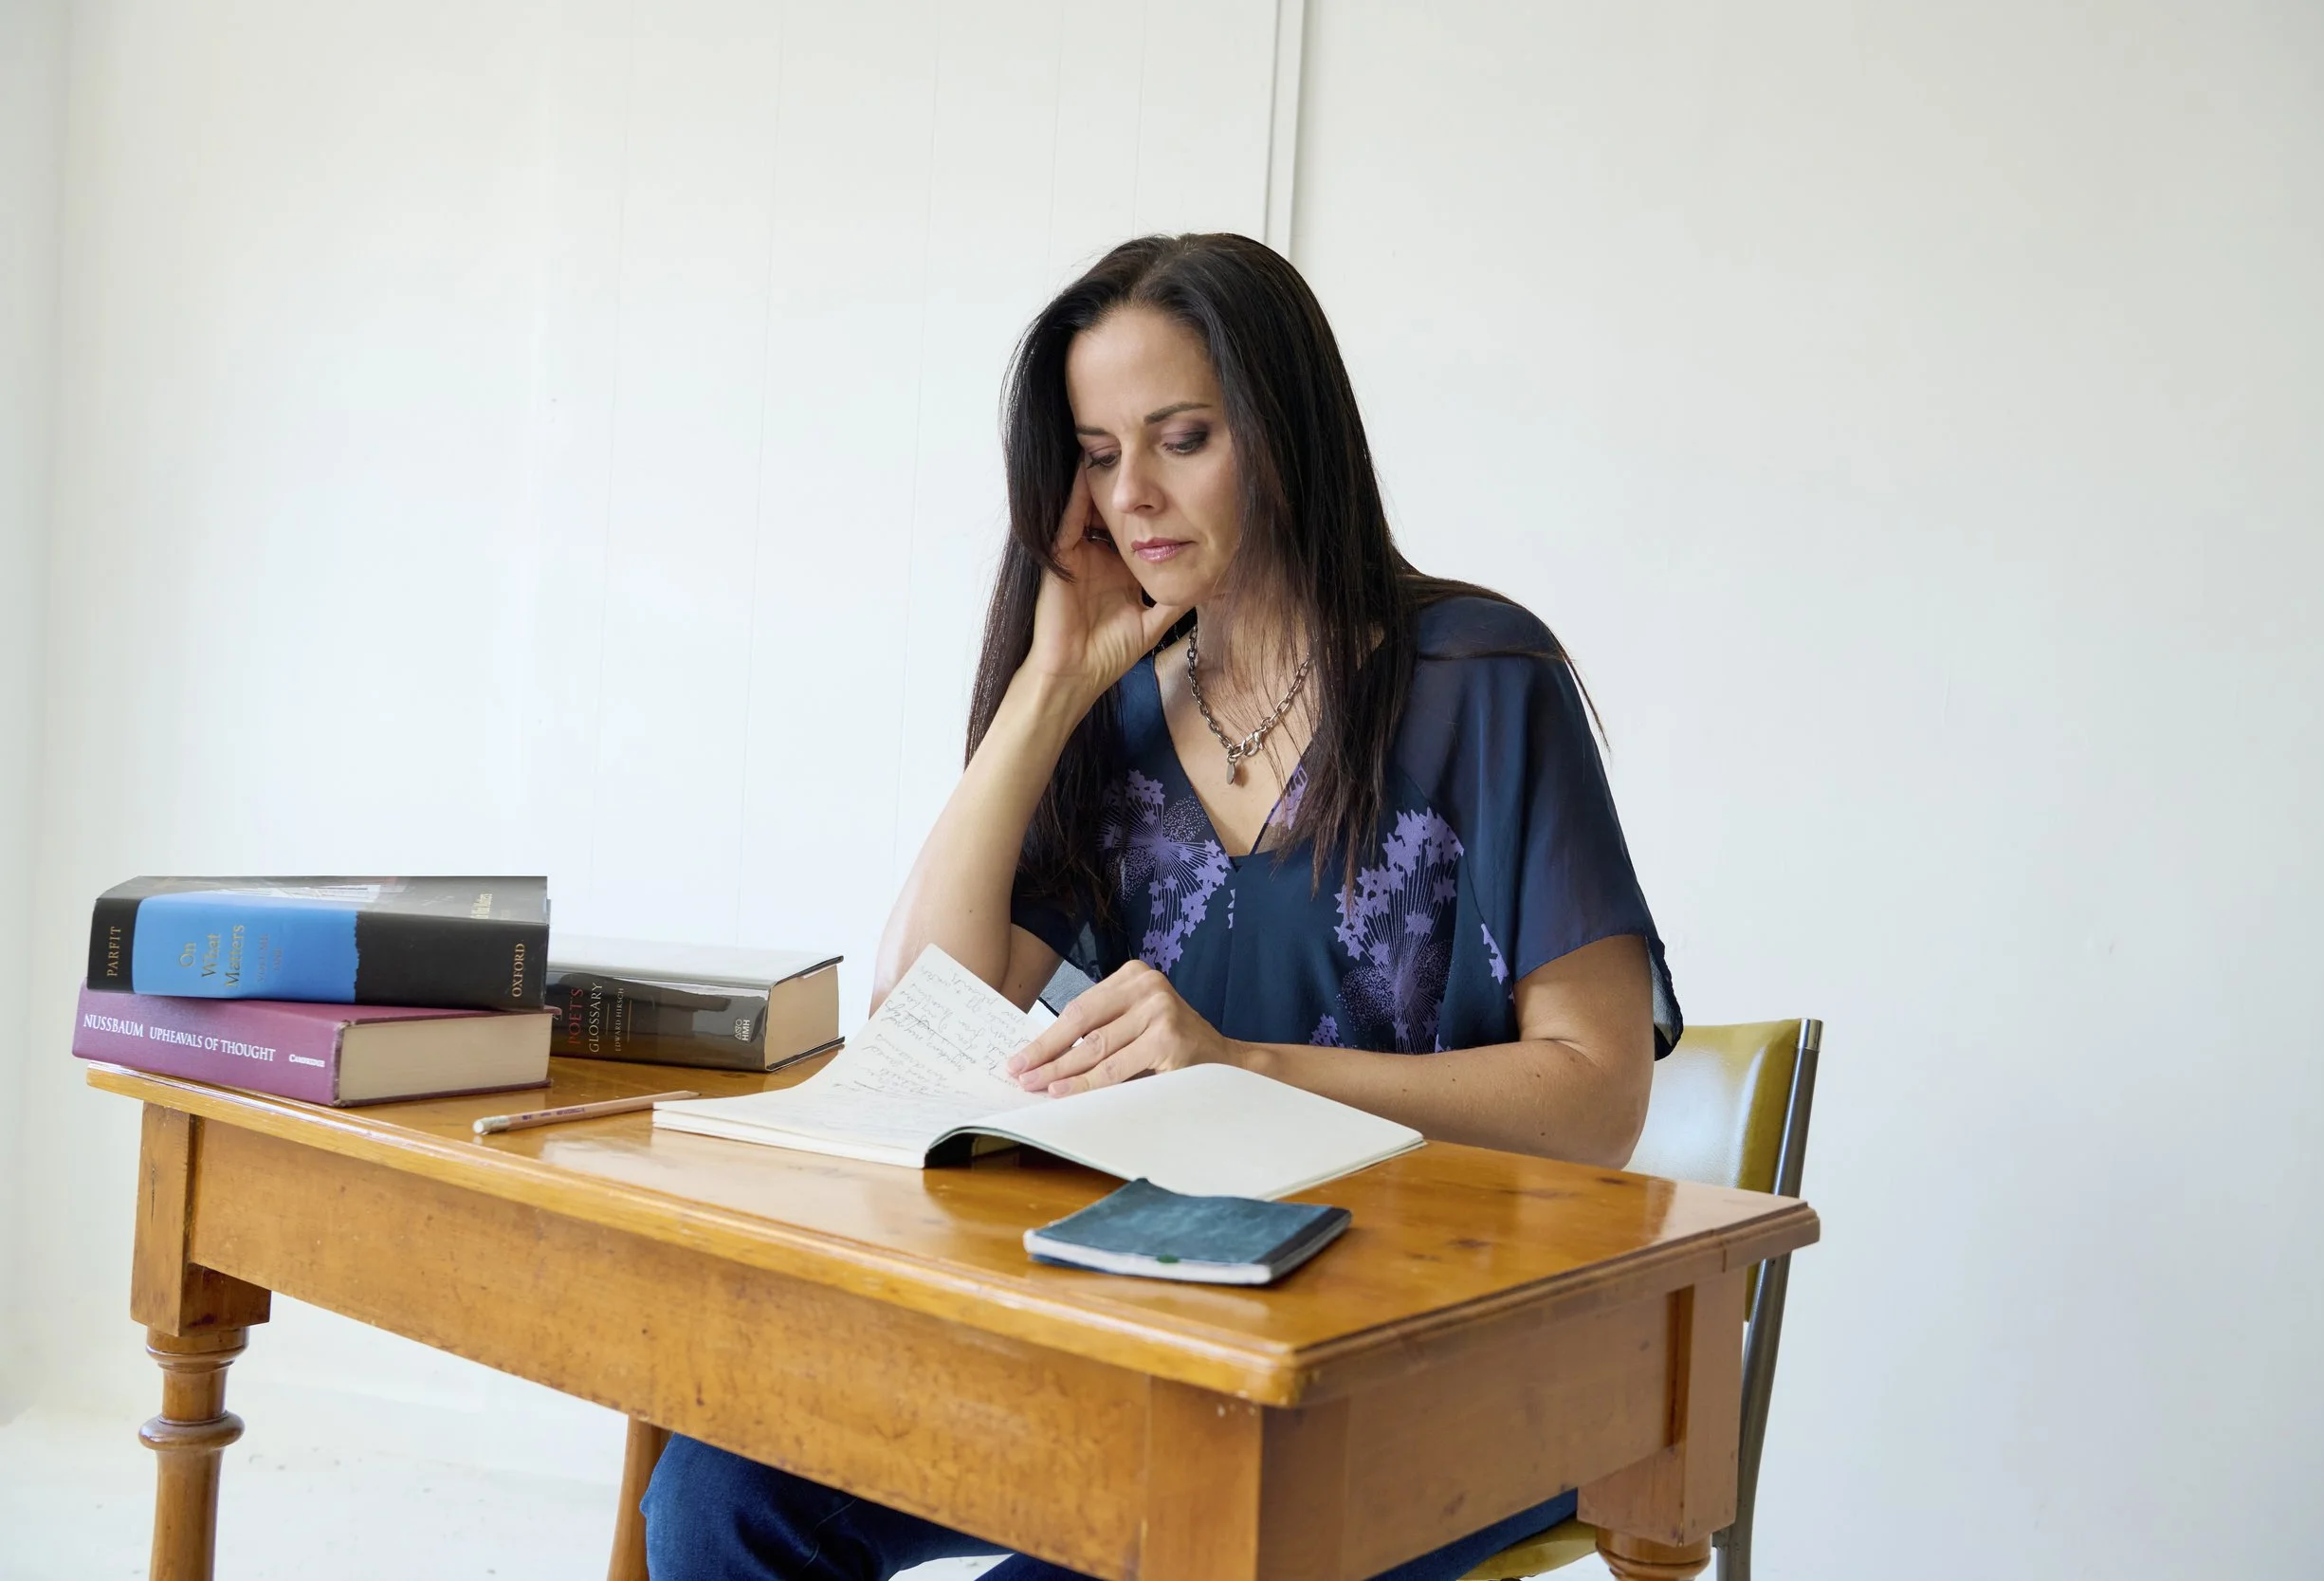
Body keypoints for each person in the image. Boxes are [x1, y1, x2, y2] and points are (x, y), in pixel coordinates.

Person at [644, 232, 1681, 1581]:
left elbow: (1599, 1095)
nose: (1131, 494)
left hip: (1435, 1357)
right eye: (1094, 452)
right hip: (1144, 1326)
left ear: (1286, 429)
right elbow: (923, 1018)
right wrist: (1049, 682)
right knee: (720, 1496)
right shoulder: (1117, 714)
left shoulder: (1482, 680)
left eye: (1181, 437)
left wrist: (1249, 1070)